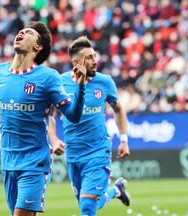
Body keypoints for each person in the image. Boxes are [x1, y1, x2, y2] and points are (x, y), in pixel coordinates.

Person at [0, 21, 87, 216]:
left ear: (37, 46)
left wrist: (80, 86)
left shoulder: (48, 77)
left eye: (28, 33)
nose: (21, 33)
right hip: (8, 161)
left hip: (34, 162)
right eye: (21, 31)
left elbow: (73, 115)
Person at [48, 36, 131, 216]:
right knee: (88, 205)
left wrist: (124, 139)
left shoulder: (105, 82)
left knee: (87, 207)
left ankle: (115, 190)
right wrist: (54, 139)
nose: (95, 61)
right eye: (90, 58)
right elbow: (50, 116)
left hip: (98, 151)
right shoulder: (60, 83)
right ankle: (116, 190)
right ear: (76, 62)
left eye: (95, 56)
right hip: (73, 153)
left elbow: (118, 109)